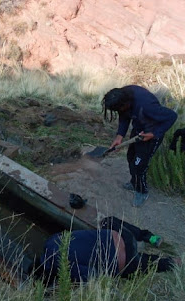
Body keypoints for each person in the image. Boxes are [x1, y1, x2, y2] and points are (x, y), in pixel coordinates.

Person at [38, 216, 179, 284]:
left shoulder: (60, 267)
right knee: (108, 221)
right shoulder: (51, 241)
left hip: (126, 261)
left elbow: (92, 276)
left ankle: (173, 262)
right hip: (124, 236)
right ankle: (149, 237)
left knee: (145, 264)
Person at [102, 85, 177, 207]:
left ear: (126, 103)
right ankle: (134, 183)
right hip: (139, 130)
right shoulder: (124, 95)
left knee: (139, 166)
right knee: (131, 157)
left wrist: (153, 134)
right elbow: (124, 115)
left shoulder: (147, 106)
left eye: (119, 109)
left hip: (151, 135)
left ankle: (142, 191)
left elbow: (172, 116)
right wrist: (119, 136)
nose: (118, 112)